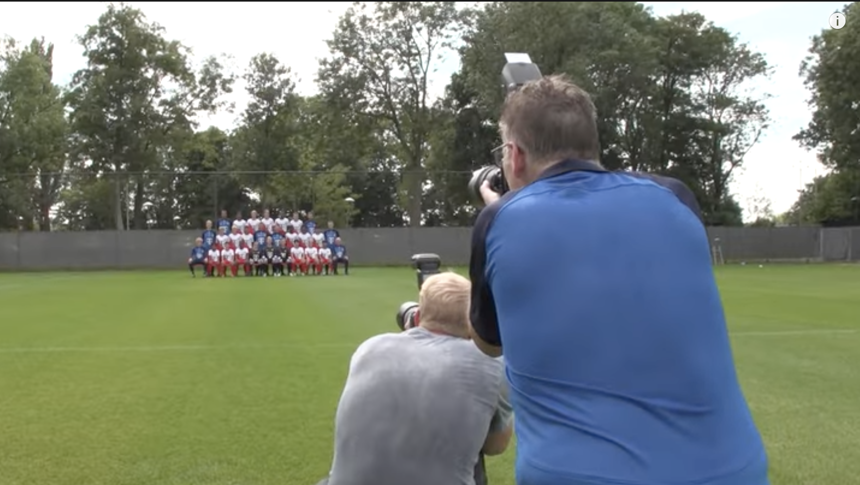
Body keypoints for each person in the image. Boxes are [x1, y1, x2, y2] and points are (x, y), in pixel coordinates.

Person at [468, 75, 768, 485]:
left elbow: (487, 342)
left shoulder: (497, 220)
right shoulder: (675, 196)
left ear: (513, 156)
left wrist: (505, 209)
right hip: (732, 470)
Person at [320, 272, 513, 485]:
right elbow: (496, 446)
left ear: (418, 316)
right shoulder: (492, 365)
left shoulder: (369, 347)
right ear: (472, 323)